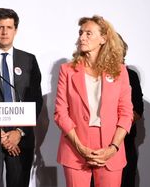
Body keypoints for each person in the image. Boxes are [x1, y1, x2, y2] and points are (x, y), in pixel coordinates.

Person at [54, 15, 133, 187]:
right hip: (75, 145)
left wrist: (113, 148)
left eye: (88, 33)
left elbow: (126, 113)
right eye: (81, 33)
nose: (82, 37)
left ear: (103, 39)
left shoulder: (120, 72)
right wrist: (79, 146)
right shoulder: (67, 70)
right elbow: (61, 113)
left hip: (111, 145)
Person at [0, 8, 43, 187]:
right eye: (0, 27)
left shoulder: (29, 60)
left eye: (9, 27)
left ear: (16, 30)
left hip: (21, 137)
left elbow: (35, 100)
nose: (5, 32)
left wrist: (19, 131)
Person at [119, 35, 144, 187]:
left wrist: (115, 131)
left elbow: (137, 111)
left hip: (124, 145)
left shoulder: (130, 76)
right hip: (96, 147)